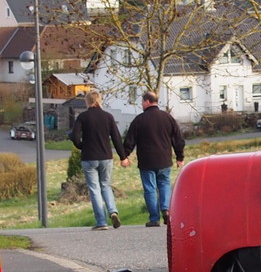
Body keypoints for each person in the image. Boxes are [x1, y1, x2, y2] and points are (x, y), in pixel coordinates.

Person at [120, 90, 186, 226]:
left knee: (150, 188)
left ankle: (154, 219)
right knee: (165, 185)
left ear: (147, 101)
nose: (141, 105)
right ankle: (166, 210)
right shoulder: (167, 118)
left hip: (146, 161)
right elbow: (178, 139)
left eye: (142, 102)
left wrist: (124, 156)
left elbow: (129, 141)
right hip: (164, 160)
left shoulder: (139, 120)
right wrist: (180, 156)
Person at [67, 89, 126, 230]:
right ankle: (113, 211)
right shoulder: (108, 117)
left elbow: (75, 137)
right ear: (99, 101)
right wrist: (123, 157)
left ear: (87, 102)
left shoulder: (82, 117)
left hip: (89, 157)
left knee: (94, 189)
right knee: (106, 185)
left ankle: (101, 222)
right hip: (106, 157)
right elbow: (117, 138)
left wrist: (81, 146)